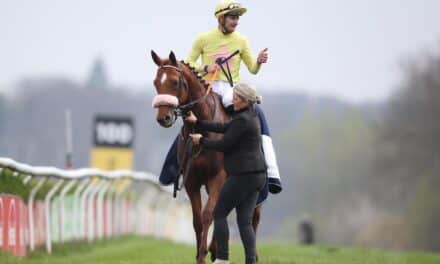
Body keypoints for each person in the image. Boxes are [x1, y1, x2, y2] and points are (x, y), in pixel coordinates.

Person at [159, 0, 282, 197]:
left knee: (257, 112)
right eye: (233, 17)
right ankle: (172, 170)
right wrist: (206, 68)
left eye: (238, 18)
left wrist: (258, 62)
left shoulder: (242, 41)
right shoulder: (203, 39)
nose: (236, 21)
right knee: (187, 122)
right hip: (205, 87)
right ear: (221, 18)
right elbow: (187, 63)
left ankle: (272, 172)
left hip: (230, 90)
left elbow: (252, 69)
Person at [187, 83, 266, 264]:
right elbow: (223, 128)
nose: (233, 100)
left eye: (236, 98)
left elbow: (224, 145)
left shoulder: (241, 120)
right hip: (257, 176)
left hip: (242, 176)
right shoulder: (250, 116)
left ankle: (222, 258)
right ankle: (251, 261)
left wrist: (202, 141)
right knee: (245, 221)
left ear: (245, 101)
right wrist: (198, 122)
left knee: (219, 213)